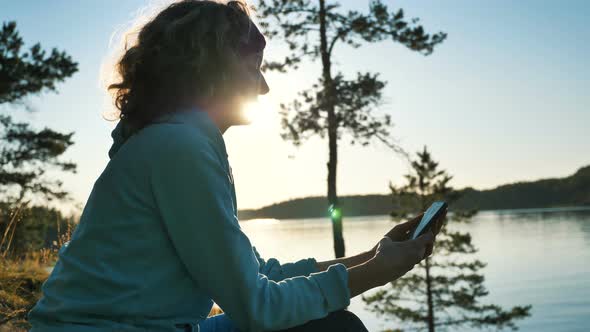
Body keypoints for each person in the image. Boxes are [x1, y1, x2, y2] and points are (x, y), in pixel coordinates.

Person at [27, 1, 443, 331]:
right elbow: (255, 307)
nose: (263, 86)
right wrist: (375, 274)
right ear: (214, 68)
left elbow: (258, 274)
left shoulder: (183, 141)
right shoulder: (179, 148)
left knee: (330, 323)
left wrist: (371, 256)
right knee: (334, 330)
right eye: (253, 68)